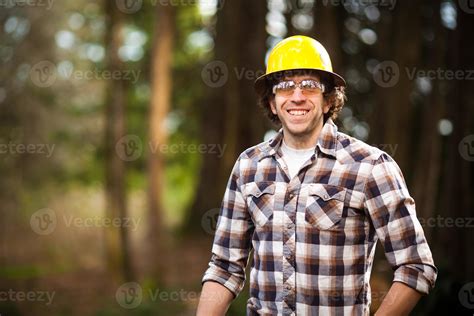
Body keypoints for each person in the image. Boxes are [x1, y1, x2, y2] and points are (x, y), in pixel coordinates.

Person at [196, 35, 437, 315]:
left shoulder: (370, 166)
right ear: (272, 103)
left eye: (309, 86)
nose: (297, 96)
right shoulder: (249, 166)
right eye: (285, 87)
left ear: (328, 100)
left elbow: (415, 266)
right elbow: (225, 266)